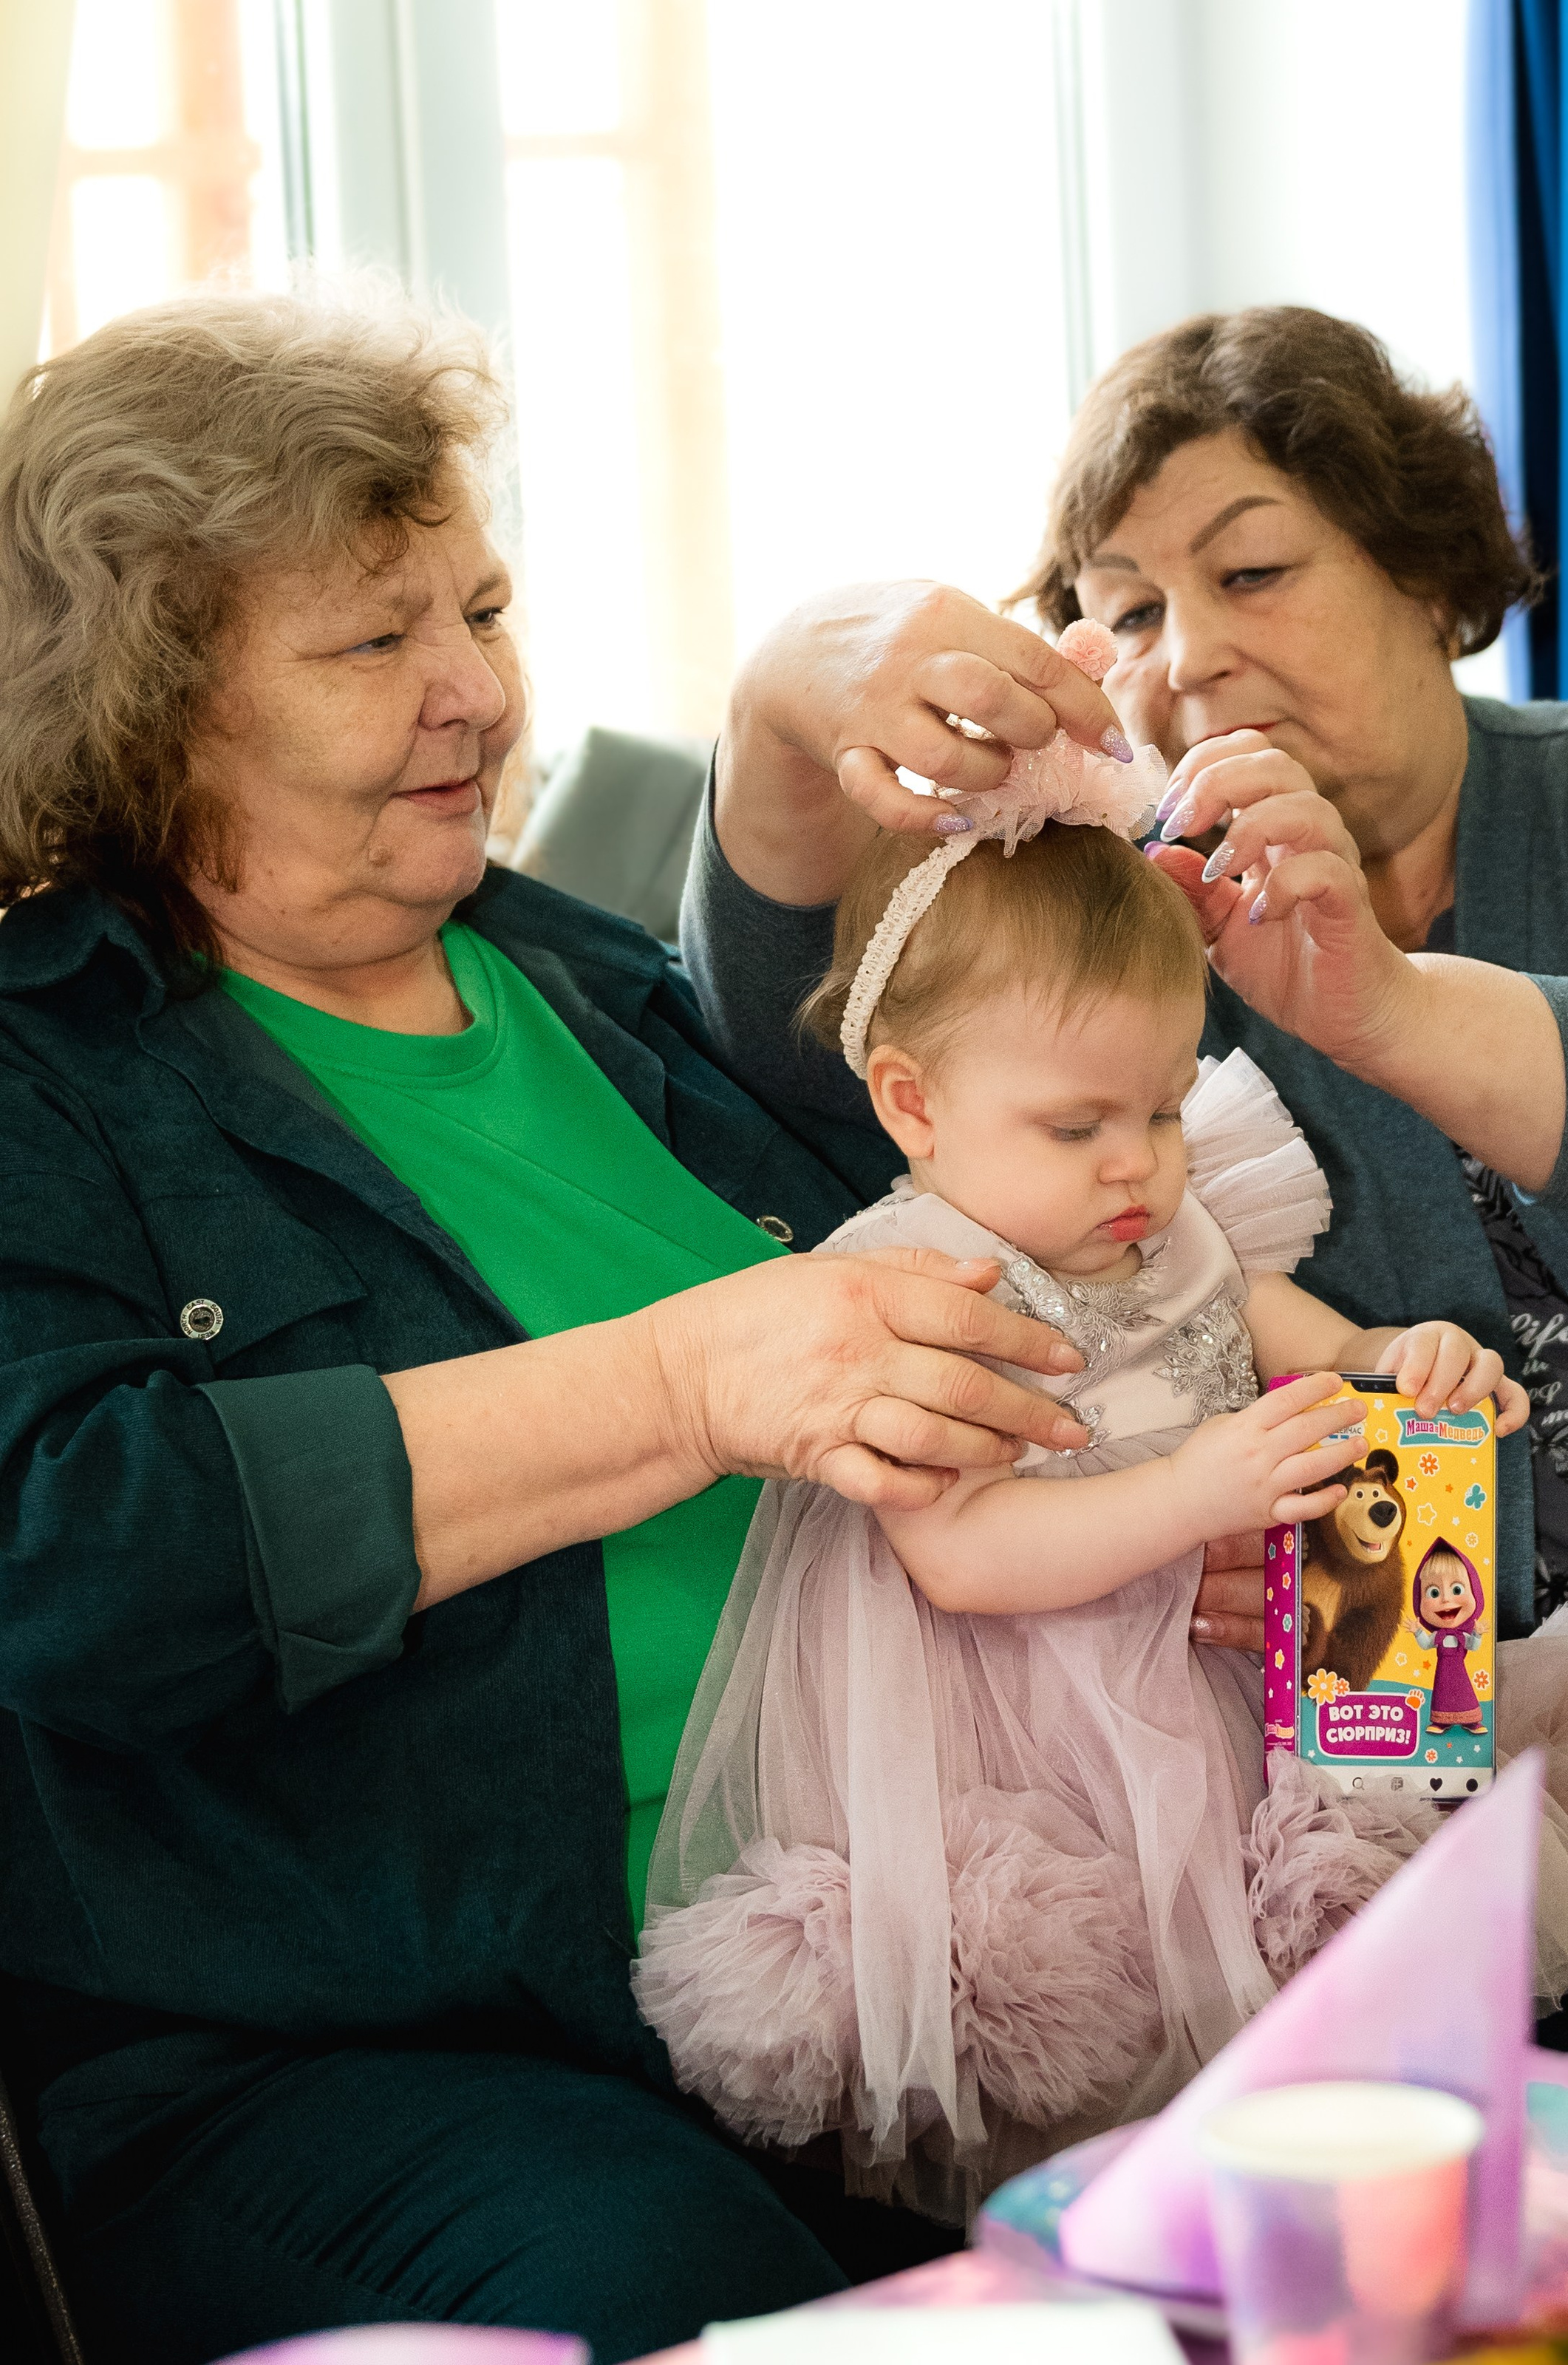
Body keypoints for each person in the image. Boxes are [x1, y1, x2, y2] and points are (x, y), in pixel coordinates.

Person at [0, 287, 1139, 2365]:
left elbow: (967, 1230)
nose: (472, 691)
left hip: (886, 1913)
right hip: (371, 2043)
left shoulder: (579, 974)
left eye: (483, 610)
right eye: (372, 642)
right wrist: (683, 1382)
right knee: (694, 2303)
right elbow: (82, 1562)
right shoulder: (43, 1074)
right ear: (150, 711)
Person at [681, 305, 1568, 2031]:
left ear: (1422, 573)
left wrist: (1390, 1011)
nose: (1185, 656)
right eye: (1125, 612)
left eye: (1250, 572)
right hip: (1412, 1761)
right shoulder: (1119, 942)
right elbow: (787, 1049)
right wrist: (776, 713)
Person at [635, 678, 1568, 2217]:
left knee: (1338, 1983)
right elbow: (960, 1555)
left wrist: (1401, 1359)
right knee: (1127, 2055)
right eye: (1078, 1126)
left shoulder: (1165, 1222)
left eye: (1167, 1109)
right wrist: (1192, 1490)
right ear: (911, 1102)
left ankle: (1359, 2209)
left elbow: (1288, 1327)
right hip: (1034, 1727)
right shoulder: (905, 1291)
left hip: (1230, 1672)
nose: (1139, 1166)